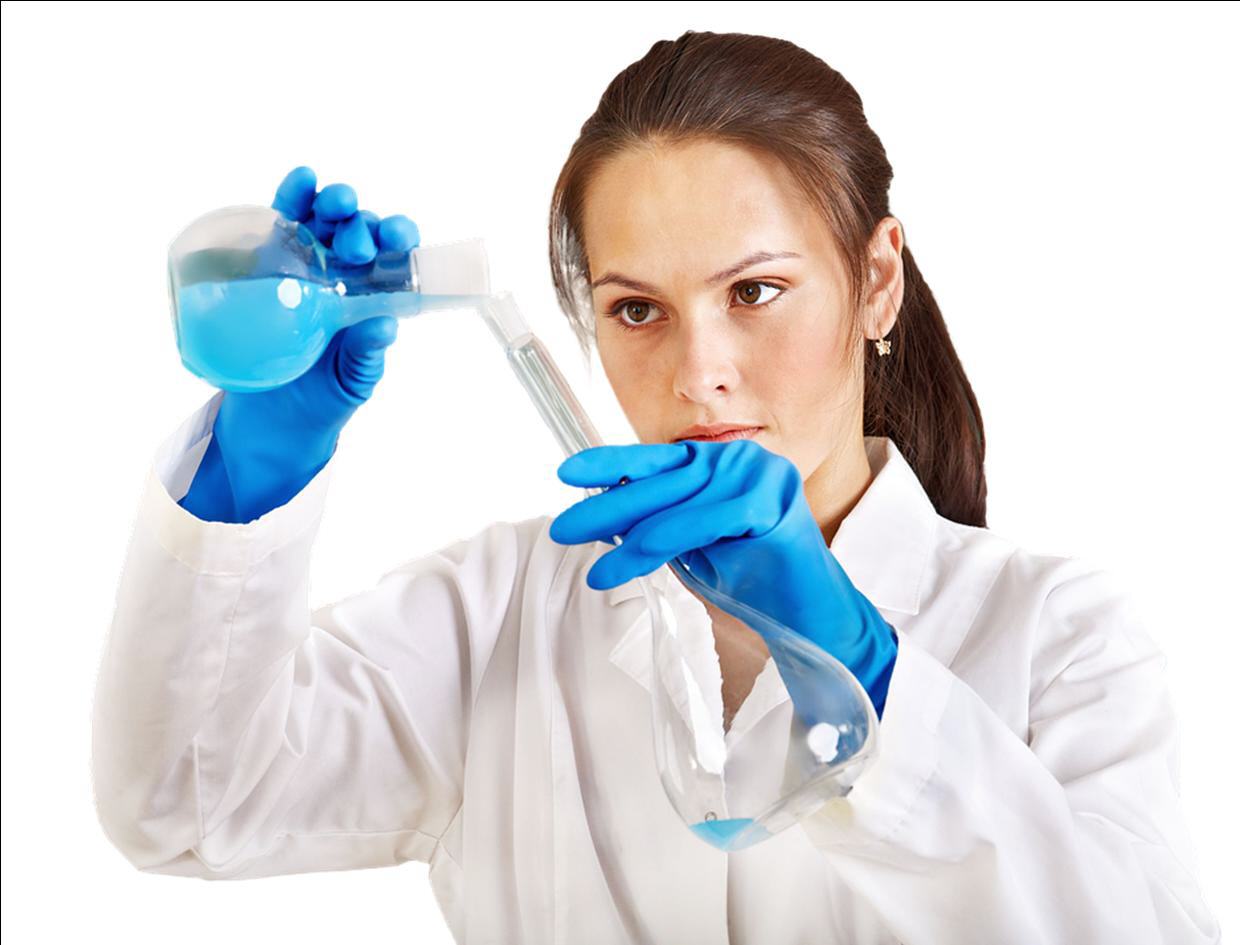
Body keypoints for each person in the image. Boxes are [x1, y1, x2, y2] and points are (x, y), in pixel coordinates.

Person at [90, 29, 1221, 945]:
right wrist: (254, 471)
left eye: (755, 292)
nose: (698, 372)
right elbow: (187, 804)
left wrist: (864, 669)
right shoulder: (500, 614)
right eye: (637, 310)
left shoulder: (1057, 636)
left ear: (877, 280)